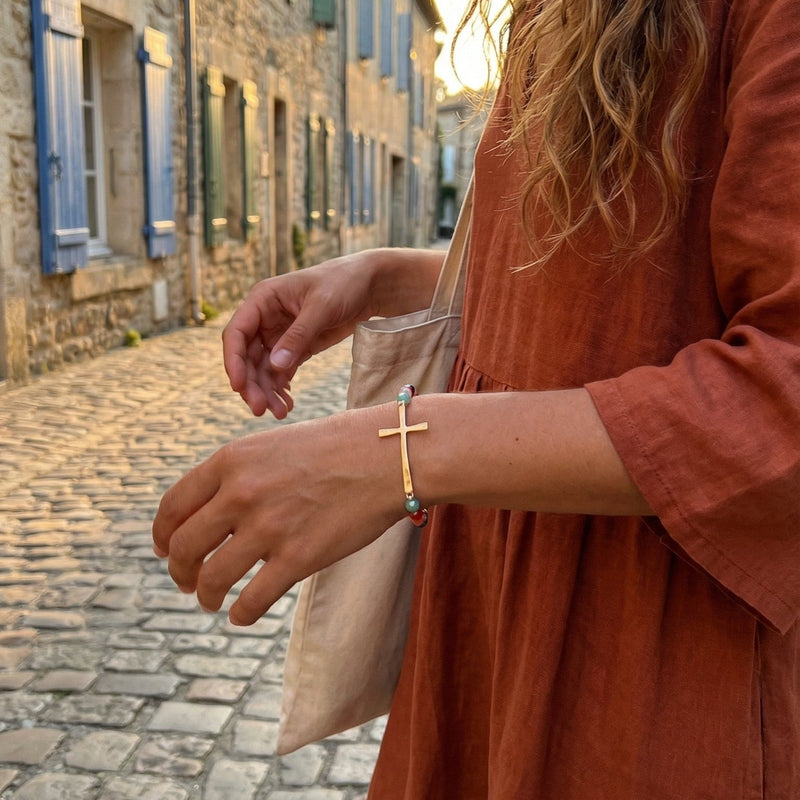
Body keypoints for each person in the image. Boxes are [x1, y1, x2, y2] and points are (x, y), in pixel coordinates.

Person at [153, 0, 800, 796]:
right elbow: (612, 290)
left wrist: (394, 451)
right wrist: (393, 278)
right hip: (480, 627)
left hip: (644, 670)